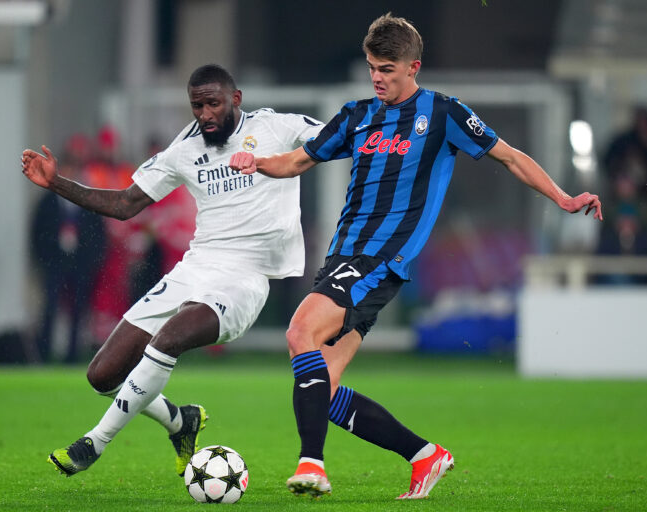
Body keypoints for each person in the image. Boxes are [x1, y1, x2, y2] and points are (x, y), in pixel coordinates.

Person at [229, 13, 603, 500]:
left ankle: (312, 464)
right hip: (345, 254)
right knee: (325, 381)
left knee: (300, 331)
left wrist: (563, 198)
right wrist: (254, 162)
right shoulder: (357, 115)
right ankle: (425, 456)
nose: (378, 78)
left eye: (387, 68)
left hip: (380, 258)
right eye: (372, 68)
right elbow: (298, 161)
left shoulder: (443, 114)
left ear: (413, 67)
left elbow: (510, 156)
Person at [21, 64, 324, 478]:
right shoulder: (184, 148)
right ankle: (182, 423)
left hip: (245, 278)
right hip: (194, 268)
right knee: (103, 375)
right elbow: (126, 205)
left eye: (213, 103)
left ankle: (95, 441)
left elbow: (332, 137)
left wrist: (287, 160)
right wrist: (58, 183)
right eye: (197, 105)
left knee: (170, 338)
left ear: (235, 99)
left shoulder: (274, 126)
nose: (204, 114)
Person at [30, 156, 106, 363]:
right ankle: (44, 353)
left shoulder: (87, 200)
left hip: (81, 265)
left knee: (79, 310)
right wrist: (45, 259)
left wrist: (91, 262)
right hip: (55, 263)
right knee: (50, 308)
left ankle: (73, 355)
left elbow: (98, 235)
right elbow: (37, 234)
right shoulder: (46, 202)